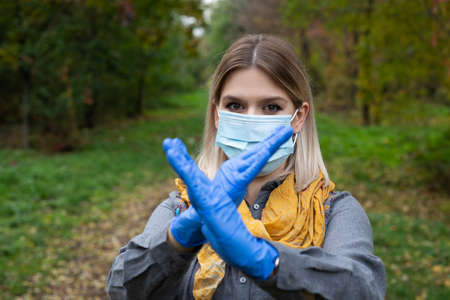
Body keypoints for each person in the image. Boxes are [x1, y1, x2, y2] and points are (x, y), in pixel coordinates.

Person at [106, 34, 386, 300]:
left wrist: (268, 262)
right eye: (236, 105)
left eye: (271, 107)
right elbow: (121, 290)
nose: (251, 120)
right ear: (217, 114)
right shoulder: (181, 208)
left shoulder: (333, 211)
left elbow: (365, 290)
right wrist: (176, 241)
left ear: (298, 117)